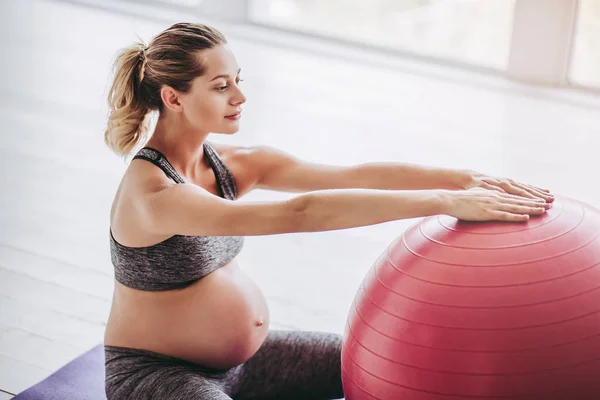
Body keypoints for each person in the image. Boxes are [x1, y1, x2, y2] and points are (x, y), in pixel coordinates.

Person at [102, 22, 553, 400]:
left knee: (378, 368)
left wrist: (460, 178)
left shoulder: (231, 164)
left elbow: (351, 173)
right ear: (173, 98)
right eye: (221, 86)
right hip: (157, 375)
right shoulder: (153, 193)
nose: (239, 96)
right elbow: (301, 212)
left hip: (249, 362)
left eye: (239, 80)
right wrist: (444, 204)